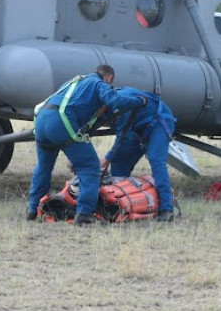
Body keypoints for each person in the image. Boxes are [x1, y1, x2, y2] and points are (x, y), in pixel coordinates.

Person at [26, 65, 145, 225]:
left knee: (43, 167)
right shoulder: (99, 84)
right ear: (109, 77)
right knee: (90, 167)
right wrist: (139, 101)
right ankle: (84, 214)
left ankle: (32, 209)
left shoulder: (75, 81)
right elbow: (115, 101)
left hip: (41, 120)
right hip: (60, 122)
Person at [101, 87, 177, 222]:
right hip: (137, 127)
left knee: (156, 159)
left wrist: (106, 159)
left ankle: (166, 208)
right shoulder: (103, 105)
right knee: (119, 160)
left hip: (158, 121)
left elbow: (121, 136)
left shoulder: (122, 102)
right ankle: (119, 203)